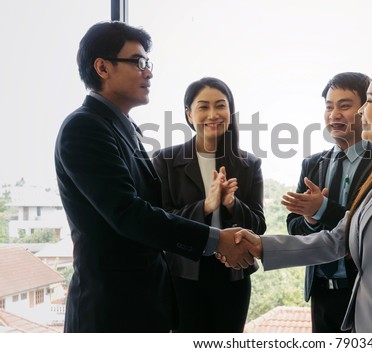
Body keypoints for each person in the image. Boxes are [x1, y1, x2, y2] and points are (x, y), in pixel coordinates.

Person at [54, 21, 253, 333]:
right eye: (138, 62)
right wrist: (215, 239)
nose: (148, 72)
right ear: (103, 68)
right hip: (111, 310)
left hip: (146, 303)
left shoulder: (126, 129)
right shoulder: (84, 128)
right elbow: (129, 214)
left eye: (148, 63)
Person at [228, 63, 372, 333]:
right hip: (366, 322)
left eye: (369, 101)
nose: (361, 111)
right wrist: (261, 246)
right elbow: (336, 240)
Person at [152, 77, 266, 332]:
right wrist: (205, 206)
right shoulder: (165, 161)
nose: (213, 114)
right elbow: (160, 221)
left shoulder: (249, 164)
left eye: (220, 106)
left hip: (233, 274)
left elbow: (258, 225)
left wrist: (231, 204)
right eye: (203, 107)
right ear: (189, 115)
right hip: (183, 274)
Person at [283, 72, 372, 333]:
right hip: (321, 293)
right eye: (329, 106)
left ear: (365, 109)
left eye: (344, 106)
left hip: (363, 291)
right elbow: (294, 228)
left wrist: (322, 209)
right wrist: (310, 219)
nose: (334, 114)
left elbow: (371, 228)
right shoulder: (311, 165)